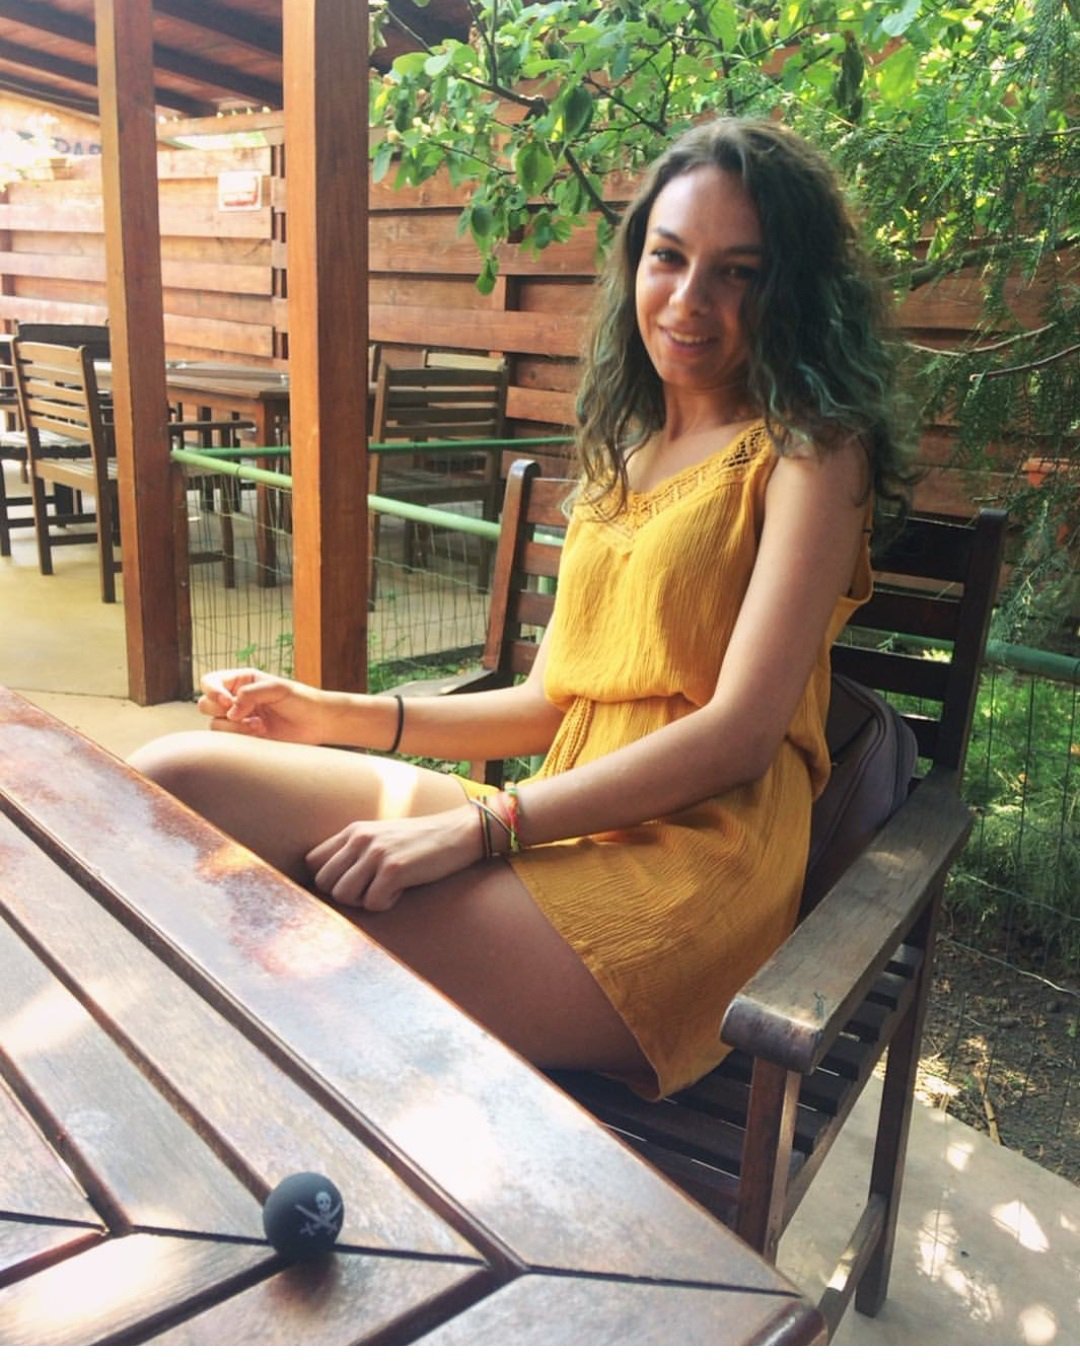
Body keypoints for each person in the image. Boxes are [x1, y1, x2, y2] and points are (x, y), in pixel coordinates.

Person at [131, 118, 910, 1100]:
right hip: (560, 818)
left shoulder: (811, 452)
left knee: (296, 946)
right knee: (171, 784)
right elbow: (549, 705)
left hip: (689, 873)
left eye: (739, 273)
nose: (690, 300)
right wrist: (328, 712)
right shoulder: (626, 454)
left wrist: (482, 828)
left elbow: (740, 737)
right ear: (635, 262)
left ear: (792, 287)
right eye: (669, 257)